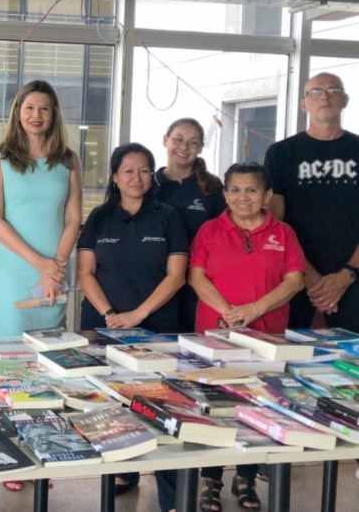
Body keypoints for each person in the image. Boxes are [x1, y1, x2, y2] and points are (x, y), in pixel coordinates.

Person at [187, 162, 304, 511]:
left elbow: (295, 281)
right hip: (215, 339)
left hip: (266, 341)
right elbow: (196, 277)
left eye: (251, 190)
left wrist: (253, 310)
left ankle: (247, 478)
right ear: (225, 194)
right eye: (235, 190)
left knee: (257, 410)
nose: (243, 197)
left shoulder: (283, 234)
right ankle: (211, 479)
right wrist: (228, 311)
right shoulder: (209, 231)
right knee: (213, 411)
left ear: (267, 195)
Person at [76, 143, 188, 508]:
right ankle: (122, 472)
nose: (136, 177)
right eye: (128, 170)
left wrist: (137, 317)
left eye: (143, 170)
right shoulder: (99, 217)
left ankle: (171, 493)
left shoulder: (168, 216)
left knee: (163, 405)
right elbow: (85, 273)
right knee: (111, 404)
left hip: (156, 324)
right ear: (114, 176)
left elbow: (176, 276)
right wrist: (111, 315)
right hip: (103, 324)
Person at [0, 80, 82, 336]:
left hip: (56, 269)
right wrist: (41, 264)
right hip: (12, 270)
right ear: (18, 112)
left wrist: (56, 268)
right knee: (12, 347)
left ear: (54, 114)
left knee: (52, 349)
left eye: (44, 109)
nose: (36, 115)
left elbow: (73, 218)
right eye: (29, 108)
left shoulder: (69, 160)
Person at [266, 72, 359, 332]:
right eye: (316, 92)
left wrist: (347, 275)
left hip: (353, 275)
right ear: (303, 104)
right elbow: (274, 221)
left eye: (333, 90)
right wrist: (307, 275)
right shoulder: (281, 153)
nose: (325, 96)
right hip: (295, 275)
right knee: (290, 357)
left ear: (346, 100)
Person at [151, 118, 226, 332]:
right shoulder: (149, 186)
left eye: (193, 142)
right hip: (156, 281)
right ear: (165, 140)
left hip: (197, 283)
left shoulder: (212, 187)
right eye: (178, 140)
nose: (184, 148)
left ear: (201, 147)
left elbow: (223, 236)